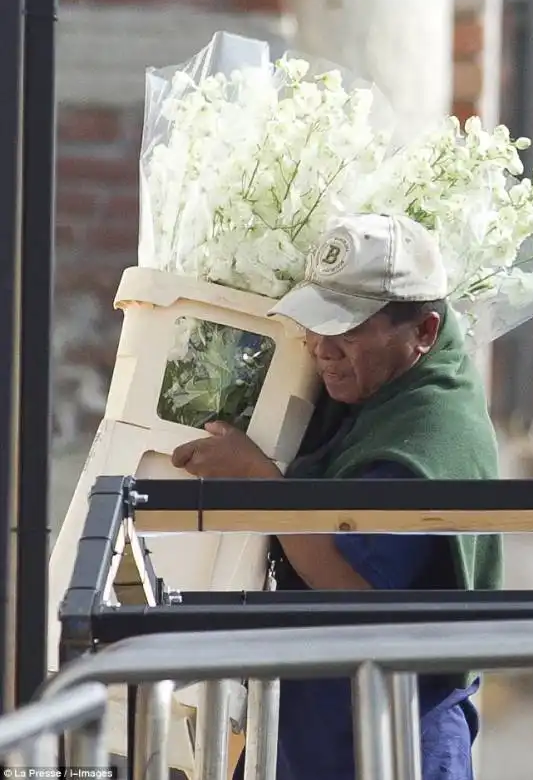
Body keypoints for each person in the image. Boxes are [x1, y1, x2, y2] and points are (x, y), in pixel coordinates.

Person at [171, 213, 503, 780]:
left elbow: (354, 588)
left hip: (392, 740)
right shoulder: (369, 393)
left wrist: (257, 483)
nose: (321, 349)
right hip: (314, 723)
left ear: (424, 331)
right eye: (313, 324)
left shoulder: (426, 434)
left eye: (346, 331)